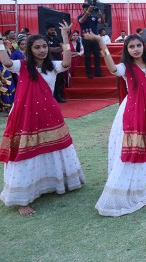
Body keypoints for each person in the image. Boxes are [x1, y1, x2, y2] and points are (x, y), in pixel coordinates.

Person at [85, 32, 146, 216]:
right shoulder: (125, 68)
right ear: (126, 49)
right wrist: (100, 43)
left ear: (143, 46)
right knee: (130, 150)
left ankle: (136, 183)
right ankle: (119, 190)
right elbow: (112, 69)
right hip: (131, 113)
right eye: (131, 47)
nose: (136, 49)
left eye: (138, 45)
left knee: (144, 147)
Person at [0, 23, 85, 216]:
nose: (42, 50)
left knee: (54, 148)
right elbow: (5, 62)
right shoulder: (21, 66)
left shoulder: (52, 67)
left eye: (44, 46)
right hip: (24, 116)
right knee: (25, 153)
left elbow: (66, 63)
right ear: (29, 50)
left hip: (49, 114)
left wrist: (65, 38)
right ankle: (21, 199)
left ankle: (56, 183)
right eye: (37, 47)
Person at [78, 2, 105, 79]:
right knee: (88, 56)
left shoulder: (94, 16)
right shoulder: (80, 16)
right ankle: (89, 73)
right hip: (86, 39)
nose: (88, 9)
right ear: (83, 9)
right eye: (86, 8)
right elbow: (81, 21)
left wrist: (100, 14)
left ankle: (98, 72)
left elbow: (102, 22)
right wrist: (87, 12)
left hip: (95, 38)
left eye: (89, 8)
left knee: (97, 56)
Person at [46, 24, 66, 102]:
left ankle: (59, 97)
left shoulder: (57, 38)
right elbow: (49, 49)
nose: (53, 31)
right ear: (47, 30)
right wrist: (57, 49)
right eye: (51, 30)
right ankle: (51, 98)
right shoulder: (45, 38)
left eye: (54, 30)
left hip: (59, 61)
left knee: (59, 80)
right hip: (49, 62)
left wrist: (57, 49)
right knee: (51, 80)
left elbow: (63, 47)